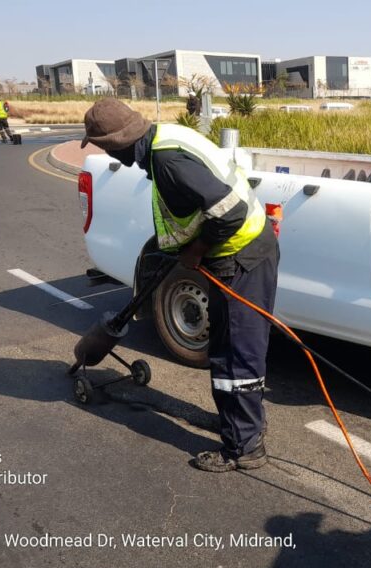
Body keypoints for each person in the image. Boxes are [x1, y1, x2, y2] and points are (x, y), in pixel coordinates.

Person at [82, 98, 279, 473]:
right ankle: (238, 426)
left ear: (116, 144)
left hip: (242, 256)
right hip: (239, 252)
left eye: (103, 146)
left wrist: (197, 249)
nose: (104, 152)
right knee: (226, 347)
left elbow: (230, 211)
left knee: (237, 355)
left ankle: (244, 447)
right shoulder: (164, 140)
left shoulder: (168, 162)